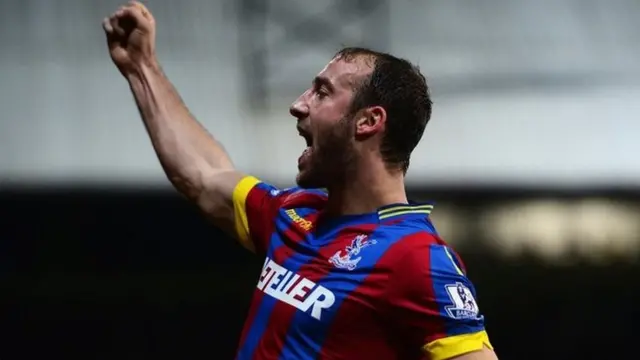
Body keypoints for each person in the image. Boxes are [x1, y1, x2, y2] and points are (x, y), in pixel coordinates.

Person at [103, 2, 498, 359]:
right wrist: (142, 69)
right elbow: (205, 176)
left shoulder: (416, 259)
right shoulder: (294, 212)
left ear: (368, 122)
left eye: (321, 92)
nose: (298, 104)